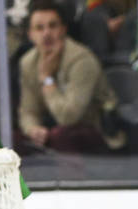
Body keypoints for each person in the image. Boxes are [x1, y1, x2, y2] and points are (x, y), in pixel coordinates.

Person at [17, 0, 123, 154]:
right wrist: (33, 129)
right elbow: (28, 111)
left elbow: (69, 117)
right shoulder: (27, 62)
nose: (46, 33)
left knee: (61, 136)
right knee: (14, 139)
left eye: (52, 26)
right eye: (39, 28)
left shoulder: (82, 60)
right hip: (54, 128)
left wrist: (47, 78)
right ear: (30, 35)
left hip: (96, 132)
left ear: (63, 29)